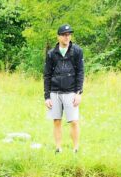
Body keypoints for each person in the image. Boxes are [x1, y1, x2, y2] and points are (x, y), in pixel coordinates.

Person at [43, 24, 84, 153]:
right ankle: (58, 148)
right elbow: (47, 75)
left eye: (69, 34)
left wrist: (78, 93)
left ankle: (75, 149)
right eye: (64, 35)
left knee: (74, 121)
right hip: (55, 92)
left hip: (71, 92)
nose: (67, 37)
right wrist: (47, 97)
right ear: (59, 37)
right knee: (56, 121)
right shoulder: (51, 53)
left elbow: (80, 72)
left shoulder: (77, 51)